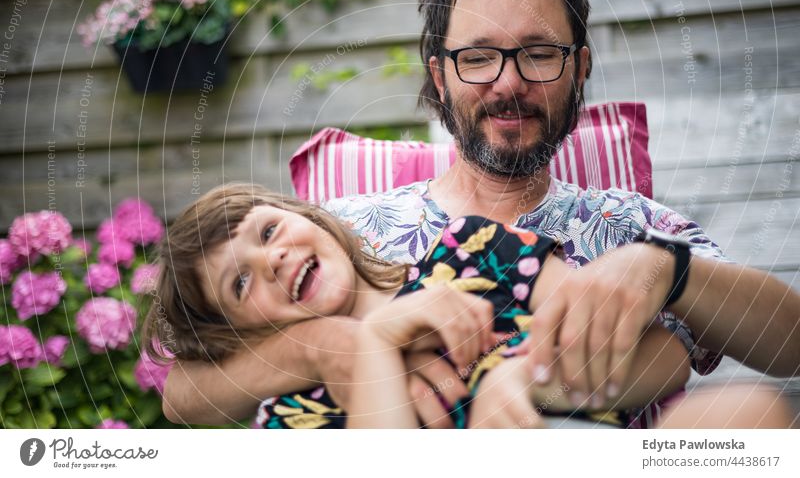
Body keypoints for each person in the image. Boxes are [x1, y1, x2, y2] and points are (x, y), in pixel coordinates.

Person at [162, 0, 800, 428]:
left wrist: (666, 267)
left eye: (539, 53)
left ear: (579, 69)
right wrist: (331, 345)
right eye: (478, 57)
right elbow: (184, 394)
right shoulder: (345, 232)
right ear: (440, 76)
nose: (508, 82)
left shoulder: (630, 224)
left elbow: (786, 342)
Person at [144, 183, 691, 429]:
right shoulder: (296, 413)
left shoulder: (475, 251)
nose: (273, 259)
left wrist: (531, 380)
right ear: (237, 335)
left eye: (268, 230)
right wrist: (377, 345)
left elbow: (667, 357)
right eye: (240, 283)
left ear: (308, 215)